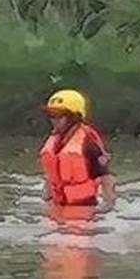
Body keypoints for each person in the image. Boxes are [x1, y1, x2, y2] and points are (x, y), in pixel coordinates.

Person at [39, 89, 116, 221]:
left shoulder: (88, 143)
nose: (54, 120)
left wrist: (107, 204)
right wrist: (46, 195)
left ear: (74, 117)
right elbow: (51, 172)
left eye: (59, 115)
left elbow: (105, 175)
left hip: (83, 206)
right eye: (51, 115)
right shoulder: (56, 140)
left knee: (73, 241)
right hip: (57, 204)